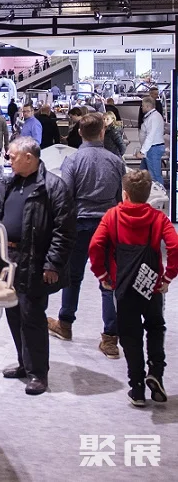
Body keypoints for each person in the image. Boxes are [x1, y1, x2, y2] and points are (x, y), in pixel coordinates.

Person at [89, 170, 178, 406]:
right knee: (155, 327)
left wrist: (102, 274)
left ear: (125, 194)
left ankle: (137, 388)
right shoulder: (158, 219)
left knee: (130, 335)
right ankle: (156, 373)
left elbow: (95, 245)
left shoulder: (112, 216)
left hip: (124, 285)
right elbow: (175, 246)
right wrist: (168, 277)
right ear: (148, 195)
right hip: (152, 285)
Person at [0, 137, 75, 395]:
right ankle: (24, 363)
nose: (9, 160)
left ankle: (38, 374)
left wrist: (52, 263)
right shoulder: (13, 182)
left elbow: (64, 231)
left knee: (32, 316)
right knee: (13, 313)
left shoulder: (53, 187)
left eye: (12, 156)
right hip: (9, 259)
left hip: (35, 261)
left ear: (29, 157)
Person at [48, 114, 125, 358]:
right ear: (102, 132)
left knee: (72, 277)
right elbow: (119, 199)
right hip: (108, 226)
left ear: (80, 133)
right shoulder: (116, 162)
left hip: (79, 225)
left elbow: (66, 198)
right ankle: (110, 339)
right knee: (108, 280)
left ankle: (65, 323)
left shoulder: (72, 161)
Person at [137, 96, 166, 185]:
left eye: (143, 106)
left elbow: (150, 136)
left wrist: (142, 152)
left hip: (153, 149)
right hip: (150, 149)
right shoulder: (151, 117)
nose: (142, 108)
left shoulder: (154, 117)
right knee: (142, 174)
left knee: (155, 176)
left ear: (148, 106)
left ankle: (161, 192)